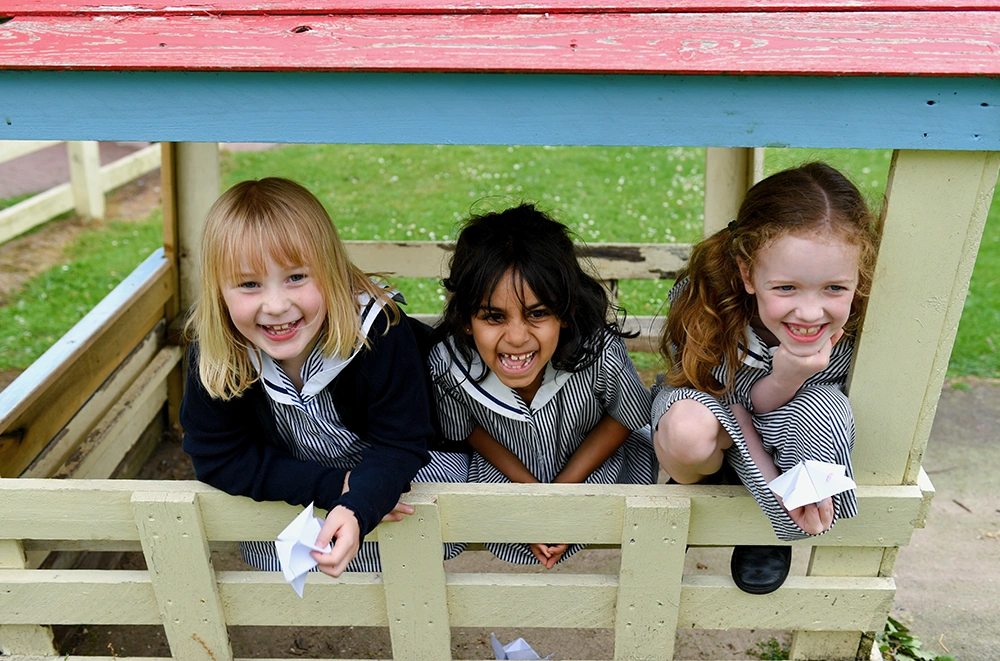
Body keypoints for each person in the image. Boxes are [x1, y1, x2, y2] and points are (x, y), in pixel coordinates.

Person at [180, 177, 464, 576]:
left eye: (296, 277)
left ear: (330, 270)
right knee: (269, 537)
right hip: (304, 476)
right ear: (218, 291)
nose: (276, 305)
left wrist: (358, 503)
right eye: (248, 284)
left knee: (421, 508)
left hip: (400, 465)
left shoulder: (378, 330)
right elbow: (217, 457)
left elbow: (400, 441)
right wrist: (333, 487)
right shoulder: (218, 347)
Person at [652, 162, 878, 594]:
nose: (811, 313)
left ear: (858, 276)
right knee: (687, 429)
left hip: (785, 435)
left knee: (824, 404)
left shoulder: (857, 328)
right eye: (786, 288)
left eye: (834, 288)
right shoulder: (710, 306)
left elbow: (799, 415)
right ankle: (705, 485)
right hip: (711, 410)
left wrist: (792, 385)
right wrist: (785, 376)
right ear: (746, 273)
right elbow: (729, 403)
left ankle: (774, 519)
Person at [430, 203, 658, 568]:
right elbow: (469, 430)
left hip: (598, 471)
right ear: (466, 319)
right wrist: (533, 497)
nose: (517, 337)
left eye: (537, 314)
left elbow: (625, 416)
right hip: (504, 476)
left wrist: (562, 497)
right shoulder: (448, 365)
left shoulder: (600, 352)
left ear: (565, 313)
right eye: (493, 316)